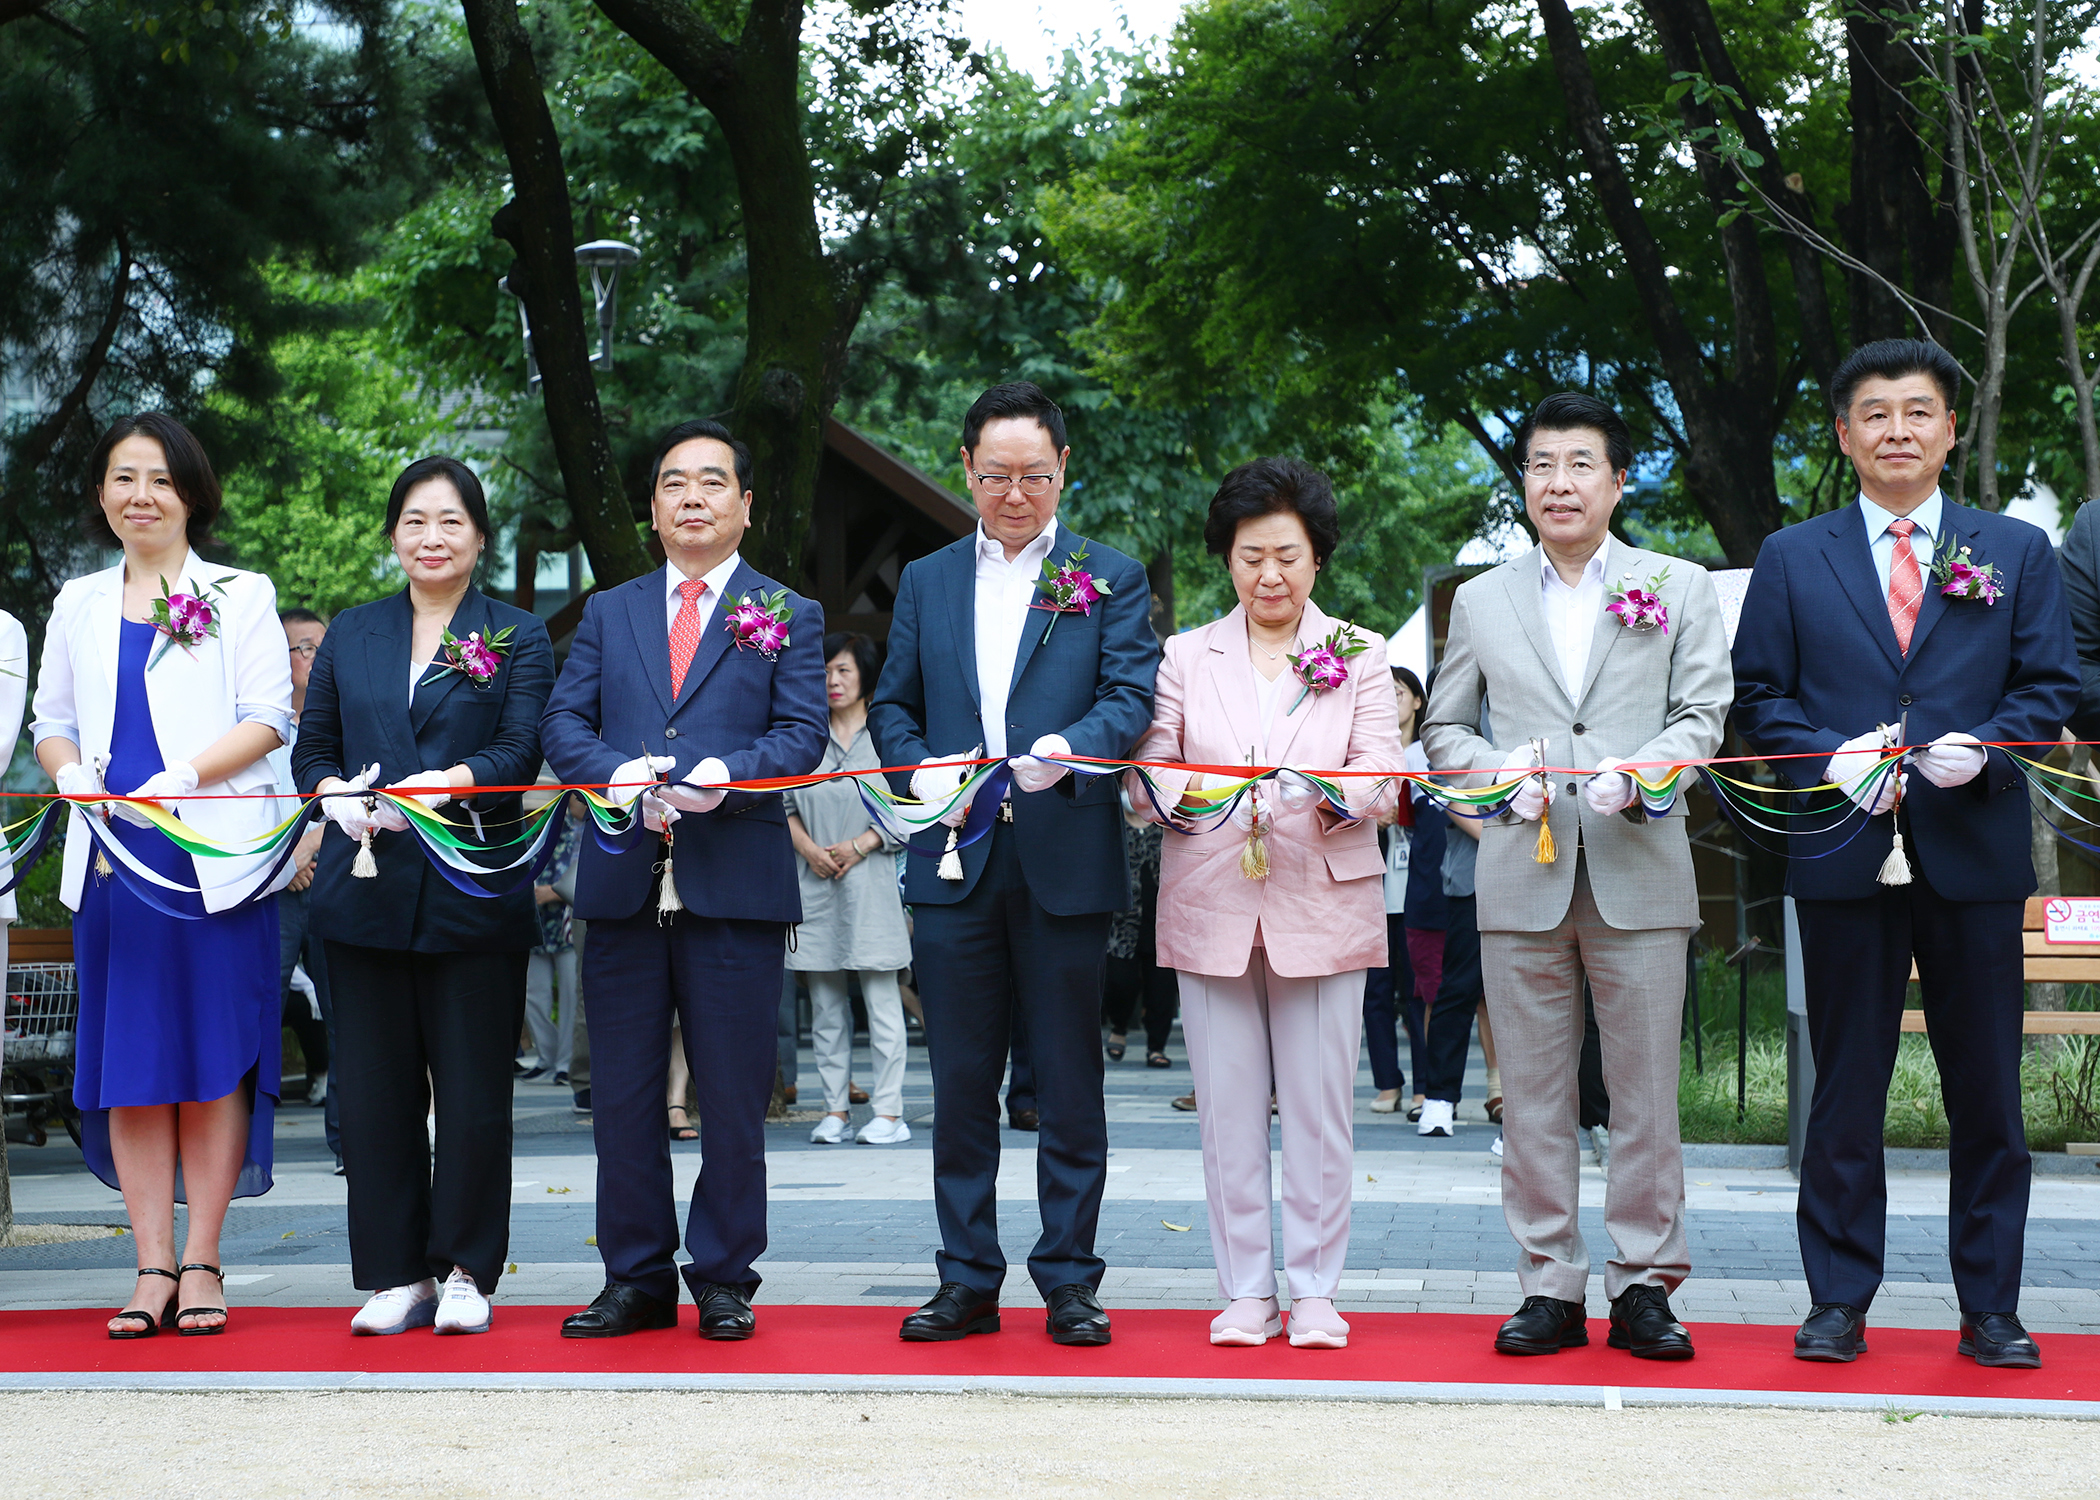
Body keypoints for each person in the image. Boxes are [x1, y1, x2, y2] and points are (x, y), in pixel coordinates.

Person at [1733, 339, 2078, 1369]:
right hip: (1844, 845)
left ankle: (1993, 1308)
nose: (1897, 429)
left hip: (1971, 847)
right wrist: (1824, 761)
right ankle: (1838, 1298)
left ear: (1951, 429)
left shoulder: (2014, 552)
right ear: (1844, 435)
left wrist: (1993, 750)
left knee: (1987, 1089)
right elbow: (1761, 696)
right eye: (1874, 413)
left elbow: (2049, 687)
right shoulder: (1794, 556)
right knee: (1845, 1085)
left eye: (1917, 411)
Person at [1422, 391, 1730, 1362]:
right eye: (1541, 464)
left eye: (1580, 463)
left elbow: (1703, 715)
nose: (1559, 483)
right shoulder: (1481, 598)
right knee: (1535, 1098)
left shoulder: (1678, 585)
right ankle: (1548, 1284)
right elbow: (1444, 728)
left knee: (1643, 1096)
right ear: (1523, 482)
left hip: (1638, 863)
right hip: (1522, 871)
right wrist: (1489, 775)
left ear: (1618, 478)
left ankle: (1645, 1283)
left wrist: (1647, 773)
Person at [870, 380, 1156, 1346]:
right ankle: (966, 1276)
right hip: (956, 854)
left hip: (1064, 851)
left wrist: (1073, 746)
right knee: (958, 1079)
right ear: (967, 470)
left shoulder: (1107, 574)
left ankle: (1071, 1277)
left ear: (1064, 468)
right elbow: (891, 706)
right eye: (997, 475)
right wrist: (921, 766)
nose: (1016, 493)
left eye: (1035, 474)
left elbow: (1131, 698)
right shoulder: (928, 579)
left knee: (1069, 1078)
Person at [541, 417, 826, 1341]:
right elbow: (562, 724)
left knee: (734, 1095)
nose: (692, 497)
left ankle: (725, 1275)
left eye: (712, 482)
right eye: (673, 484)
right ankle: (634, 1278)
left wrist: (726, 780)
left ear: (746, 505)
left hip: (734, 880)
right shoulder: (610, 608)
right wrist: (611, 775)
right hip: (624, 880)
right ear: (653, 509)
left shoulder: (785, 611)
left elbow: (800, 736)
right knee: (621, 1093)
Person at [1130, 457, 1406, 1349]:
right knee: (1227, 1106)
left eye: (1287, 555)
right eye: (1251, 557)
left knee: (1323, 1106)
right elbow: (1149, 769)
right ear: (1227, 560)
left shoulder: (1360, 653)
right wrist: (1188, 795)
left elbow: (1383, 772)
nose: (1270, 576)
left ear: (1316, 558)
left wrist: (1317, 790)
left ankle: (1317, 1288)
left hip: (1322, 896)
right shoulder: (1184, 654)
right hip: (1212, 894)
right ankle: (1246, 1287)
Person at [32, 411, 294, 1337]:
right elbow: (51, 720)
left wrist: (180, 777)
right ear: (104, 494)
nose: (141, 496)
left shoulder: (240, 592)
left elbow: (269, 717)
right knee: (136, 1064)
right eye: (123, 478)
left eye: (160, 479)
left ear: (191, 493)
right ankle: (148, 1266)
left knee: (214, 1060)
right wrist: (71, 777)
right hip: (112, 863)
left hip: (211, 860)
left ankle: (206, 1260)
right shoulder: (78, 602)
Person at [295, 455, 555, 1337]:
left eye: (449, 521)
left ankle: (467, 1268)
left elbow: (520, 750)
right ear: (393, 534)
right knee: (373, 1090)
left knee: (475, 1089)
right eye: (414, 520)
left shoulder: (516, 633)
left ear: (479, 536)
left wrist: (452, 779)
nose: (430, 537)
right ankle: (395, 1273)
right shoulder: (353, 632)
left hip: (468, 885)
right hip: (362, 886)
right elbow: (314, 745)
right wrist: (330, 792)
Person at [788, 631, 913, 1146]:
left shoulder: (887, 735)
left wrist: (862, 843)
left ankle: (889, 1113)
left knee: (883, 1000)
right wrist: (812, 851)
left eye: (842, 670)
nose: (832, 680)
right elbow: (782, 808)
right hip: (814, 878)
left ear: (865, 675)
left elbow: (912, 807)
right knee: (825, 1006)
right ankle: (835, 1110)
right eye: (823, 671)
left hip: (872, 878)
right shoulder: (803, 736)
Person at [271, 608, 337, 1161]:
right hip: (275, 880)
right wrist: (284, 858)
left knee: (348, 1009)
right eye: (304, 647)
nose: (314, 659)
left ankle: (350, 1139)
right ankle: (244, 1138)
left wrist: (312, 845)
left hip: (337, 866)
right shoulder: (261, 724)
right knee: (262, 1002)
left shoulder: (343, 713)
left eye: (320, 646)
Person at [1363, 665, 1426, 1113]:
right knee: (1375, 993)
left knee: (1418, 993)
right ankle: (1388, 1083)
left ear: (1417, 701)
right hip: (1373, 890)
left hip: (1419, 890)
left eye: (1399, 692)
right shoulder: (1367, 750)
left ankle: (1424, 1085)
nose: (1391, 700)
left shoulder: (1428, 754)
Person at [523, 774, 584, 1088]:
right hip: (533, 923)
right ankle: (546, 1059)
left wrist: (553, 892)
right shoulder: (521, 832)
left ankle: (565, 1063)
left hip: (568, 920)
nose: (532, 812)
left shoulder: (573, 829)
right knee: (534, 994)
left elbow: (581, 870)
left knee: (573, 995)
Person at [1102, 802, 1174, 1067]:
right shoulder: (1112, 825)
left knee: (1162, 990)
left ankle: (1157, 1047)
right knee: (1120, 983)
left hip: (1161, 923)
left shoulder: (1163, 824)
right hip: (1122, 925)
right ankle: (1119, 1026)